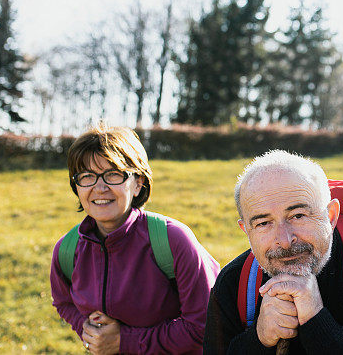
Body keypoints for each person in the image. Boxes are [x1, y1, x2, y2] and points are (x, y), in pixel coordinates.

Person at [203, 150, 343, 354]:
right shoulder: (234, 283)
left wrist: (317, 321)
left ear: (330, 216)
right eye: (263, 223)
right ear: (247, 230)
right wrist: (258, 339)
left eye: (298, 215)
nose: (285, 240)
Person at [50, 124, 220, 355]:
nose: (100, 188)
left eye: (113, 174)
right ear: (76, 186)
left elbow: (204, 326)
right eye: (87, 176)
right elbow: (63, 302)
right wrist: (89, 331)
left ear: (138, 182)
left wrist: (123, 341)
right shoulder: (67, 250)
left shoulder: (173, 240)